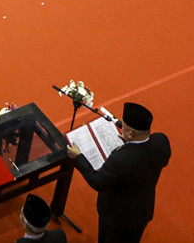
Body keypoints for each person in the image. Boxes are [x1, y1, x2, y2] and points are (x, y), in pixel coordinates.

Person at [68, 102, 171, 243]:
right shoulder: (161, 141)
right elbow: (159, 160)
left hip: (117, 218)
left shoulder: (121, 159)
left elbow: (97, 181)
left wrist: (78, 157)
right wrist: (129, 143)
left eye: (123, 127)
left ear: (130, 133)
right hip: (142, 210)